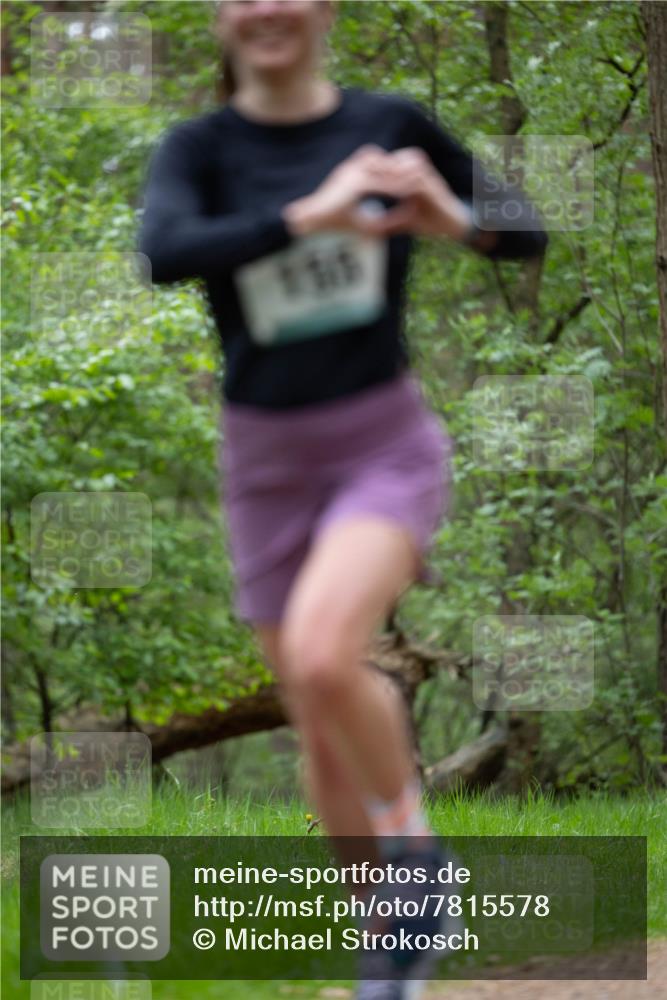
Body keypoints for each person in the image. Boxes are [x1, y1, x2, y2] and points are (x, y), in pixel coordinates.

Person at [138, 2, 547, 995]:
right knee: (314, 707)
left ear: (321, 9)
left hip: (379, 442)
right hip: (261, 460)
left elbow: (525, 232)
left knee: (326, 654)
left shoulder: (390, 123)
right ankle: (389, 945)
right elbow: (166, 250)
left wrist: (447, 218)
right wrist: (310, 214)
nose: (268, 10)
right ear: (223, 15)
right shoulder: (201, 146)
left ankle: (418, 865)